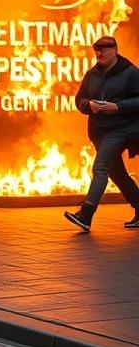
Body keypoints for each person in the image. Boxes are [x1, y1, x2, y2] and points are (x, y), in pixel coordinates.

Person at [65, 36, 139, 231]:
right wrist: (88, 105)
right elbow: (80, 98)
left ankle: (86, 214)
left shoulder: (131, 73)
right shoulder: (92, 74)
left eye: (105, 49)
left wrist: (117, 107)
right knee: (118, 174)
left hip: (120, 130)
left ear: (115, 50)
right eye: (97, 50)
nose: (100, 53)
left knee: (100, 168)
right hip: (99, 133)